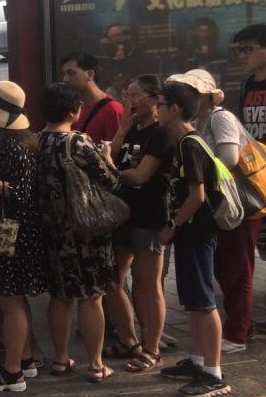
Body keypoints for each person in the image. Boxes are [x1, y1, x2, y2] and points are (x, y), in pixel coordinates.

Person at [169, 68, 258, 356]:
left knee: (236, 270)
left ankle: (237, 332)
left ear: (206, 94)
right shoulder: (199, 120)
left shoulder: (221, 118)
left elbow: (229, 158)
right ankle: (242, 325)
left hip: (235, 204)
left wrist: (198, 171)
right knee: (226, 267)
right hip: (218, 203)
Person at [37, 83, 119, 383]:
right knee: (91, 297)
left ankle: (60, 359)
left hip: (51, 231)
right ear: (74, 111)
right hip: (85, 232)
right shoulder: (78, 142)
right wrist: (108, 155)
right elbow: (111, 180)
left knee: (59, 296)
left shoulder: (37, 142)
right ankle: (96, 364)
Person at [0, 82, 48, 391]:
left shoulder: (11, 147)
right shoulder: (20, 143)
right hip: (15, 229)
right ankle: (24, 358)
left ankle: (12, 369)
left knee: (9, 299)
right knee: (13, 297)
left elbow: (21, 194)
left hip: (10, 230)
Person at [155, 82, 231, 397]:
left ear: (174, 109)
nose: (157, 110)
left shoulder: (190, 144)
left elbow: (196, 196)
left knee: (203, 302)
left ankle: (214, 374)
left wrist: (172, 225)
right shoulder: (186, 141)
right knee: (193, 301)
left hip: (197, 233)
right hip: (191, 234)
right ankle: (199, 362)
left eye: (161, 105)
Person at [110, 75, 170, 372]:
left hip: (149, 216)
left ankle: (152, 347)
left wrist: (109, 172)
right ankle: (128, 338)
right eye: (127, 94)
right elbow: (113, 155)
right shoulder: (132, 127)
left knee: (147, 284)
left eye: (135, 95)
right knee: (113, 279)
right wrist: (121, 131)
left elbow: (140, 176)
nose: (129, 100)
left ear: (154, 98)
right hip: (122, 214)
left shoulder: (161, 133)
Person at [61, 53, 124, 143]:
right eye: (64, 74)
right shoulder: (70, 106)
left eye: (71, 73)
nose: (65, 79)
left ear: (90, 74)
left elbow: (115, 151)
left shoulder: (112, 109)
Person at [233, 23, 266, 140]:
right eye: (239, 50)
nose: (241, 56)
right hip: (254, 156)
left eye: (247, 49)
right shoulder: (246, 84)